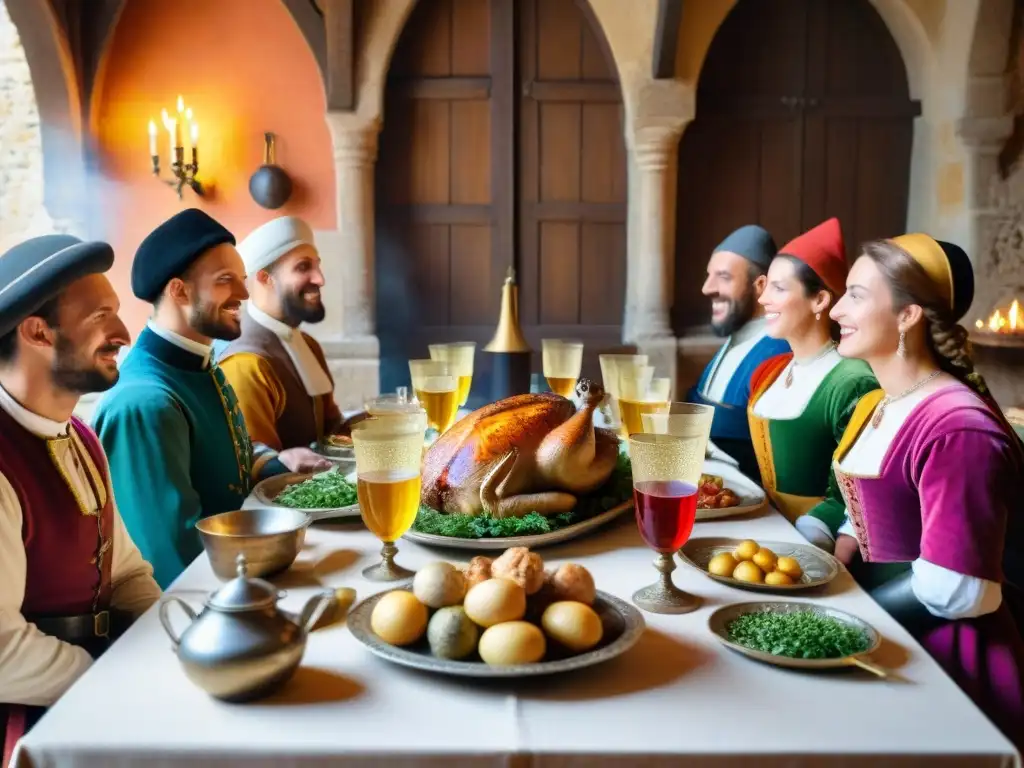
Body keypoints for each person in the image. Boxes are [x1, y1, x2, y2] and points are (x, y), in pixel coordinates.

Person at [828, 233, 1024, 749]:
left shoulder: (957, 426)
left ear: (909, 316)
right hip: (880, 635)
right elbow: (874, 506)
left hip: (943, 659)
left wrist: (853, 619)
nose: (837, 310)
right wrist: (829, 563)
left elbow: (960, 589)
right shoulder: (882, 402)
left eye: (857, 295)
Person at [0, 235, 161, 763]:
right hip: (30, 722)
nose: (123, 333)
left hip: (97, 683)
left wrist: (168, 652)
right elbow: (3, 653)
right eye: (100, 316)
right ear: (37, 331)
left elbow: (127, 575)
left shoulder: (82, 437)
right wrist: (112, 683)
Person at [92, 209, 275, 588]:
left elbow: (223, 460)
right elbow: (171, 560)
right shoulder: (145, 403)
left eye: (241, 280)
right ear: (179, 290)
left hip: (236, 572)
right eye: (227, 281)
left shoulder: (200, 364)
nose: (244, 294)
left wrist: (275, 466)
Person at [745, 218, 878, 530]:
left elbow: (859, 494)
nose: (763, 299)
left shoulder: (852, 381)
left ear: (819, 299)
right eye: (765, 285)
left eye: (778, 288)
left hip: (822, 540)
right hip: (765, 526)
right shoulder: (770, 372)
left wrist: (815, 534)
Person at [217, 216, 363, 466]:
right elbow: (255, 467)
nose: (320, 279)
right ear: (264, 278)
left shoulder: (308, 344)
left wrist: (375, 422)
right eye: (303, 267)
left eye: (317, 266)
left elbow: (329, 433)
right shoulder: (246, 363)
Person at [686, 224, 790, 481]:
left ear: (761, 286)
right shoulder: (735, 339)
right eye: (708, 275)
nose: (706, 288)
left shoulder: (780, 354)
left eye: (723, 277)